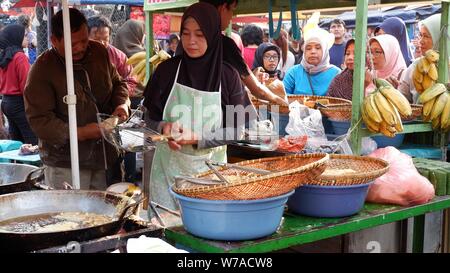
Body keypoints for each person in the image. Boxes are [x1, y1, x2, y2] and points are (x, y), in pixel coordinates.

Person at [143, 2, 248, 222]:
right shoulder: (167, 71)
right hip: (168, 176)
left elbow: (236, 130)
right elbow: (148, 118)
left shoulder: (228, 76)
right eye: (186, 33)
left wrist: (197, 138)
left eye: (200, 35)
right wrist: (164, 127)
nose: (191, 41)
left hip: (211, 178)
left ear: (212, 34)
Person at [24, 8, 130, 190]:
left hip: (106, 154)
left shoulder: (98, 52)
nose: (80, 48)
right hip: (65, 162)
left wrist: (122, 104)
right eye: (72, 44)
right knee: (69, 215)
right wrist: (81, 132)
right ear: (54, 41)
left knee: (105, 212)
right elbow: (40, 121)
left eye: (83, 40)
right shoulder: (42, 70)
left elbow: (118, 83)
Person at [199, 0, 287, 106]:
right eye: (231, 10)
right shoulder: (225, 44)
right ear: (222, 9)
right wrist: (280, 101)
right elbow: (257, 89)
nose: (231, 16)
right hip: (221, 111)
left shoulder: (188, 43)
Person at [87, 15, 139, 184]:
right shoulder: (78, 57)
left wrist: (121, 100)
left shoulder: (118, 56)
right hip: (88, 118)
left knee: (116, 156)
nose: (102, 43)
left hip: (115, 115)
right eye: (96, 39)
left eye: (106, 39)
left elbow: (130, 80)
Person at [0, 24, 37, 145]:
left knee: (16, 140)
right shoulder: (20, 57)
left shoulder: (5, 56)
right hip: (18, 102)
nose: (27, 38)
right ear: (16, 37)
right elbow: (26, 85)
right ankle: (32, 164)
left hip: (6, 102)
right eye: (25, 36)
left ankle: (17, 163)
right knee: (31, 139)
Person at [398, 14, 445, 103]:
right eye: (420, 35)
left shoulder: (447, 66)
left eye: (426, 36)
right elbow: (402, 98)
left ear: (439, 39)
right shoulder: (415, 66)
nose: (421, 41)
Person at [283, 27, 340, 96]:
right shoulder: (293, 72)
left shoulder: (336, 74)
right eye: (308, 48)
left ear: (325, 51)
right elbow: (283, 97)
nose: (313, 51)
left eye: (318, 48)